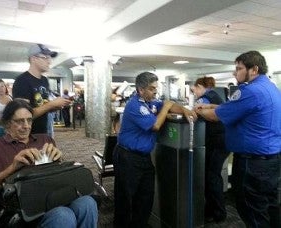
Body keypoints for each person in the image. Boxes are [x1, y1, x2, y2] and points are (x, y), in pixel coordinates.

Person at [194, 50, 281, 228]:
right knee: (270, 207)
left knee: (252, 210)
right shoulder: (270, 87)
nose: (235, 72)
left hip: (252, 164)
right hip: (271, 161)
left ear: (254, 69)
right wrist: (211, 104)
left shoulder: (249, 91)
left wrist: (197, 110)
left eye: (239, 68)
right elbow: (241, 109)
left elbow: (215, 116)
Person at [0, 99, 98, 228]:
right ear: (8, 123)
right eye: (20, 121)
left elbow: (59, 176)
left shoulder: (45, 140)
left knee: (87, 203)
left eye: (29, 120)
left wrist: (60, 161)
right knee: (63, 215)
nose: (26, 126)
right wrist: (12, 168)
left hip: (51, 198)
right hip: (20, 213)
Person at [113, 72, 197, 228]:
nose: (155, 92)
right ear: (140, 89)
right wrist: (165, 107)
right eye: (152, 89)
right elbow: (155, 125)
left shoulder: (150, 102)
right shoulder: (135, 105)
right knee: (126, 199)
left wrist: (184, 110)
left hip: (144, 158)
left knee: (145, 197)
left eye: (156, 88)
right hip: (127, 157)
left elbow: (170, 104)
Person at [191, 76, 230, 223]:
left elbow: (198, 114)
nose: (194, 92)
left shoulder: (205, 98)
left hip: (216, 142)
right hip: (222, 141)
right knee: (212, 175)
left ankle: (218, 213)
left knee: (211, 177)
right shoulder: (216, 95)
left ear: (200, 86)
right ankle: (212, 210)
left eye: (194, 89)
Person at [12, 44, 71, 134]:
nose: (49, 61)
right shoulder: (22, 81)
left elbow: (41, 106)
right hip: (27, 135)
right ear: (33, 59)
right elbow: (23, 116)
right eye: (45, 57)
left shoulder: (44, 80)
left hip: (43, 132)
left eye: (50, 58)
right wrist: (51, 104)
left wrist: (56, 106)